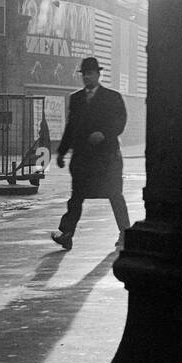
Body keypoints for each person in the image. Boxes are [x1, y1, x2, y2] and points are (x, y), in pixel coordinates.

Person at [50, 56, 129, 250]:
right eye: (84, 74)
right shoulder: (76, 98)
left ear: (98, 74)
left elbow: (120, 122)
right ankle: (67, 234)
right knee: (76, 197)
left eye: (90, 73)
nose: (86, 77)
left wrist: (104, 133)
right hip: (83, 158)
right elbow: (71, 126)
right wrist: (61, 152)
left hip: (107, 158)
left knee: (114, 195)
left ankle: (126, 234)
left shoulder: (112, 97)